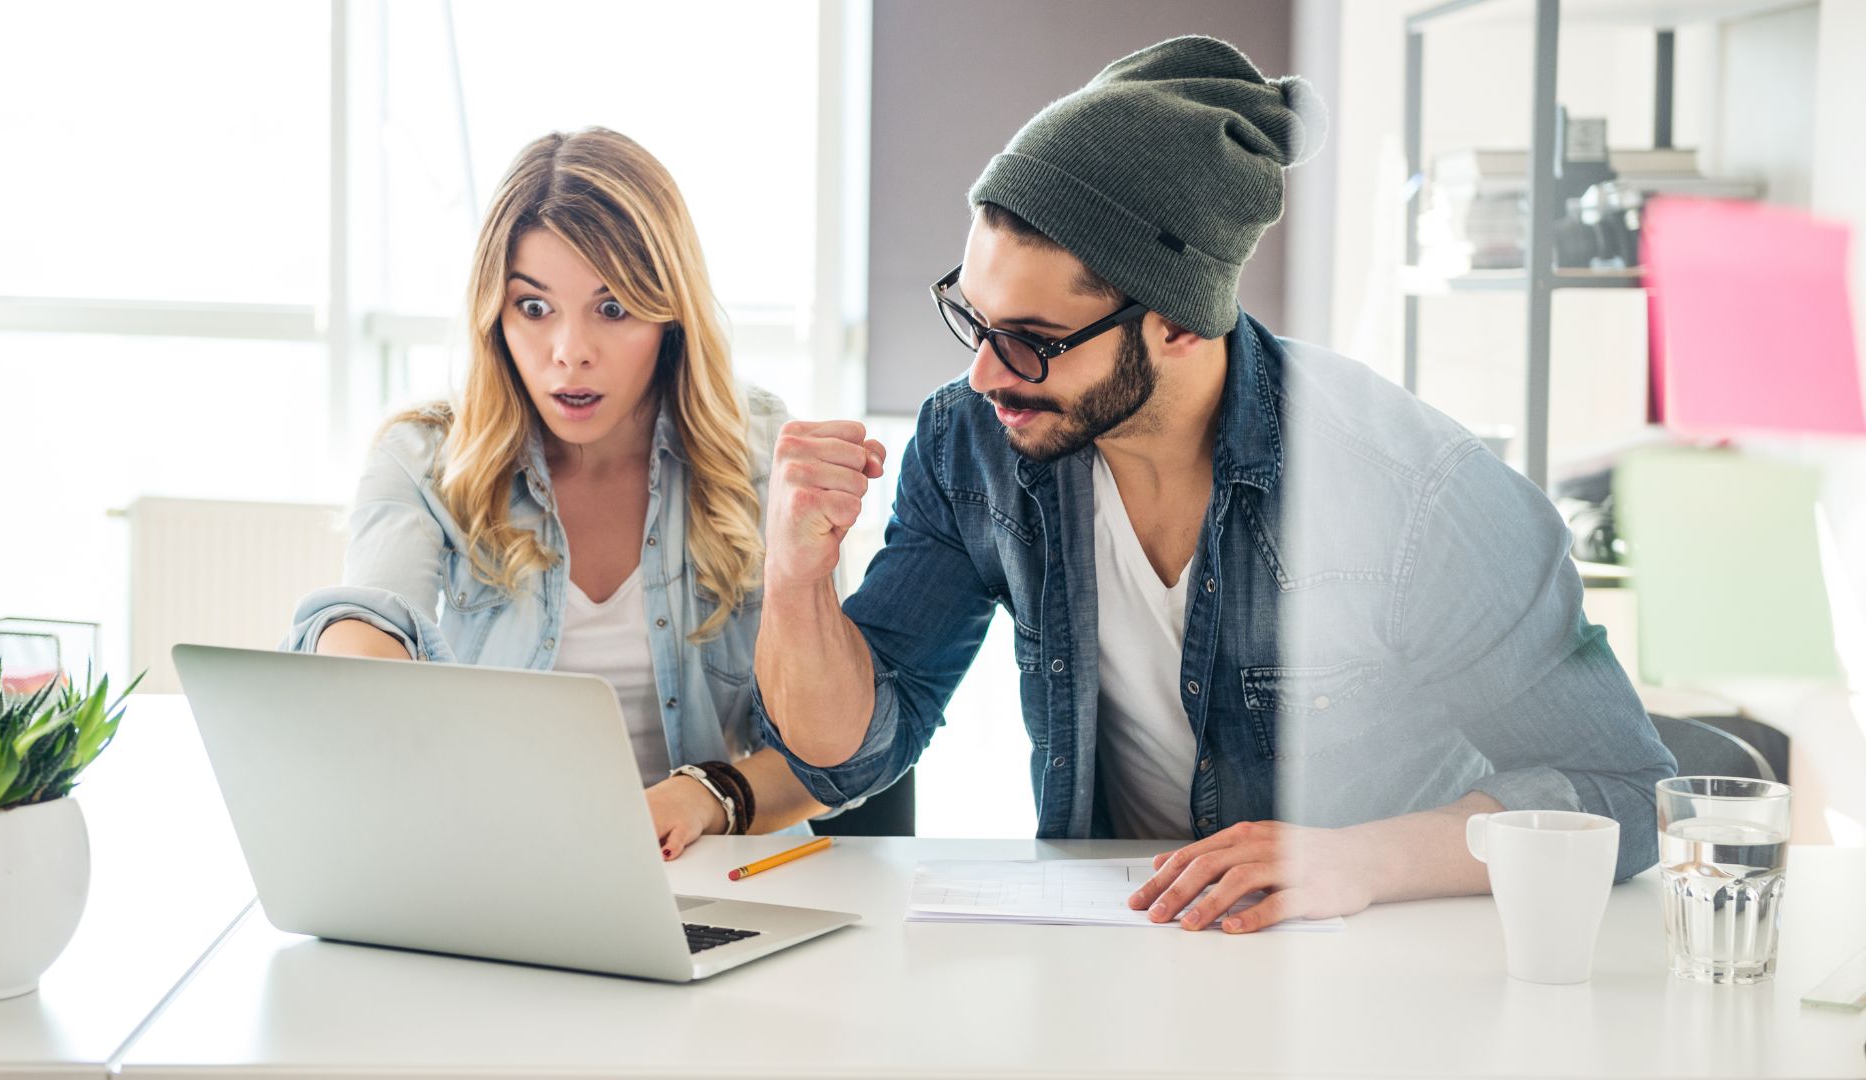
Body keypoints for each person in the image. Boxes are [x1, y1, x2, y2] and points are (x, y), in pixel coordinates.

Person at [751, 37, 1675, 930]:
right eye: (973, 318)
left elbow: (1627, 797)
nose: (987, 375)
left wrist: (1355, 858)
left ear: (1182, 324)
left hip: (1368, 966)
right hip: (1124, 946)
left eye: (1031, 340)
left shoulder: (1418, 494)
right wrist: (796, 580)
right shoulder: (974, 442)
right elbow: (850, 761)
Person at [287, 128, 826, 859]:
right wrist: (359, 662)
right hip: (505, 869)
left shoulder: (761, 453)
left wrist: (706, 797)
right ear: (494, 316)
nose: (570, 350)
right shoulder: (424, 458)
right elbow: (376, 612)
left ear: (670, 315)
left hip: (722, 873)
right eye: (534, 308)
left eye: (612, 309)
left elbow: (829, 757)